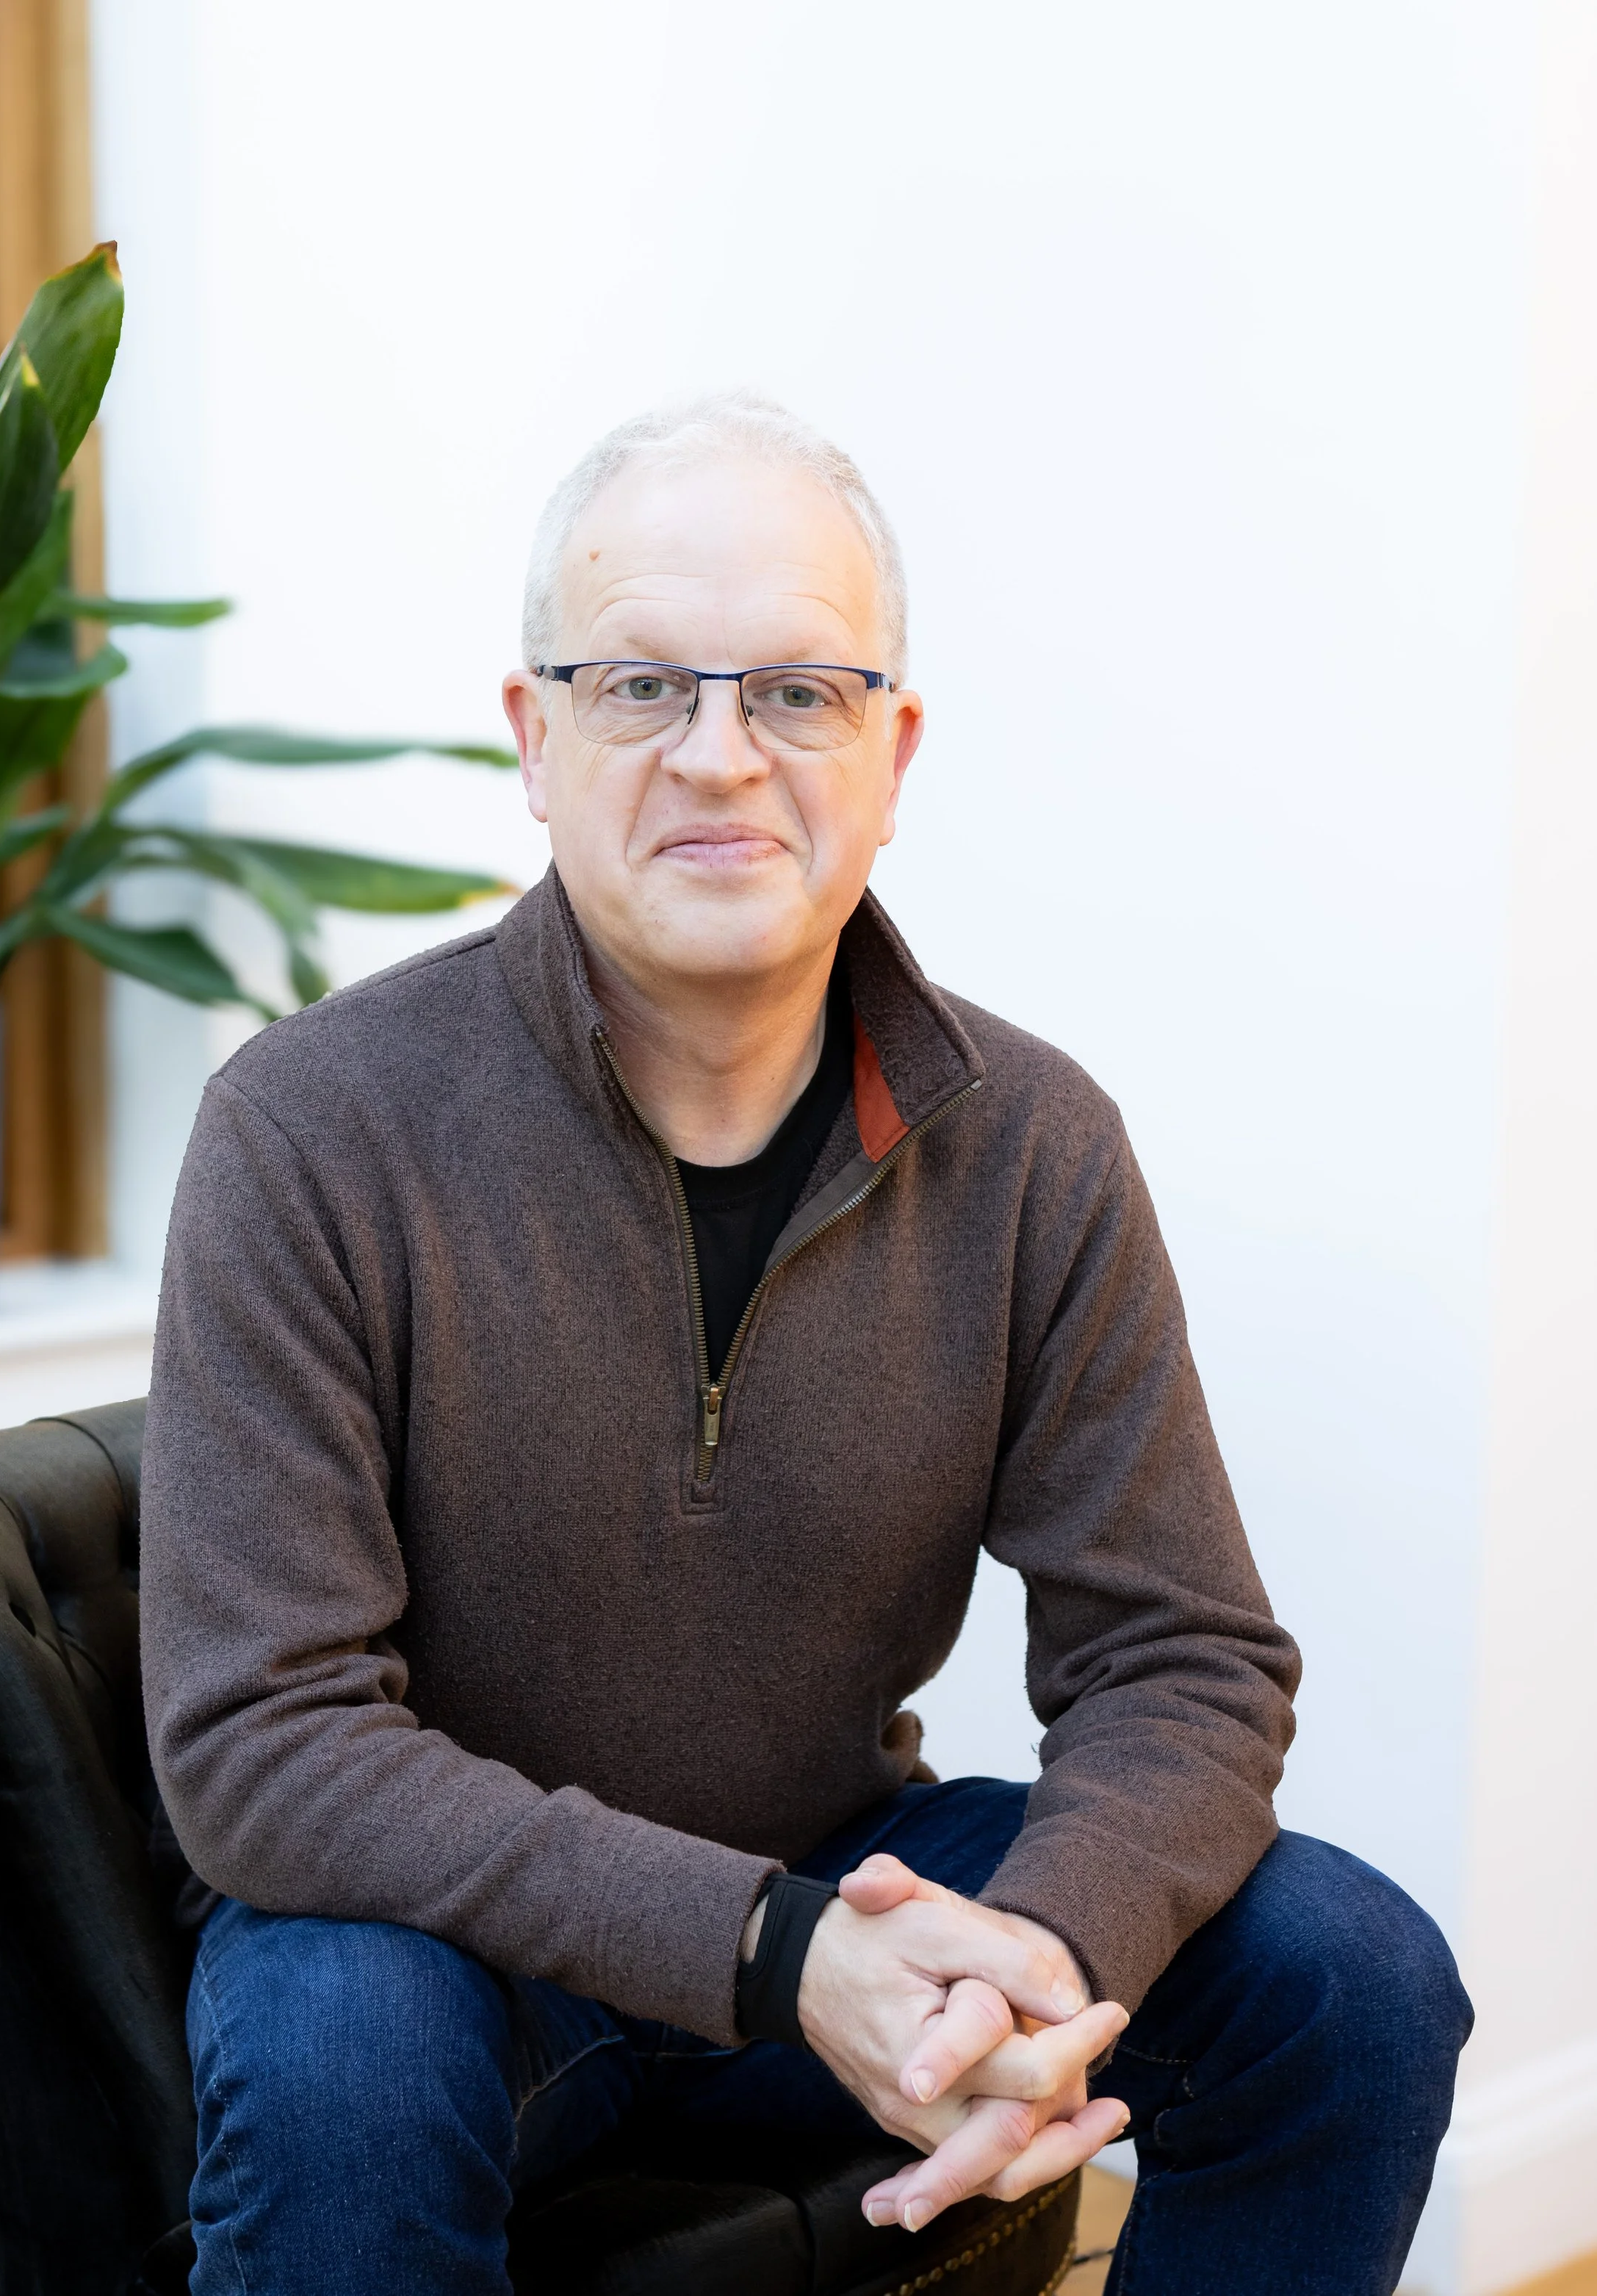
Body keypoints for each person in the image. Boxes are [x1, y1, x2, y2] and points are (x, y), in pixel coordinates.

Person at [140, 391, 1471, 2295]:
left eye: (797, 691)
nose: (716, 756)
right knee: (338, 2056)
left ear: (891, 746)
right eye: (635, 685)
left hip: (850, 1868)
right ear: (529, 736)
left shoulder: (1031, 1139)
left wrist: (1041, 1954)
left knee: (1350, 1973)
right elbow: (266, 1745)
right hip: (449, 1951)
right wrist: (773, 1948)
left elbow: (1184, 1653)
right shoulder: (312, 1124)